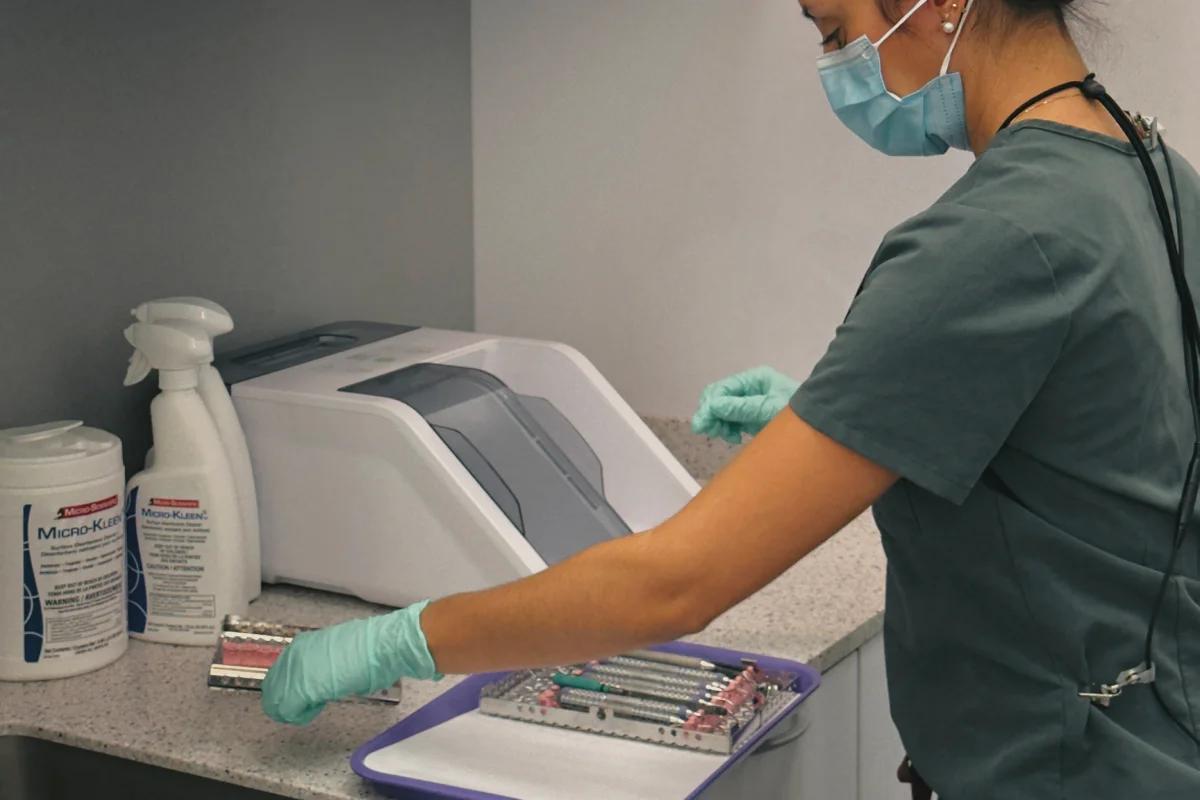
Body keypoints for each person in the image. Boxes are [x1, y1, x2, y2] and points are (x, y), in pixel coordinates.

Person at [261, 0, 1200, 796]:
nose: (836, 67)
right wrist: (874, 417)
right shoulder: (1155, 174)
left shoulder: (995, 236)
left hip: (1064, 764)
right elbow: (1117, 445)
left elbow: (673, 583)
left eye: (836, 30)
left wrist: (400, 640)